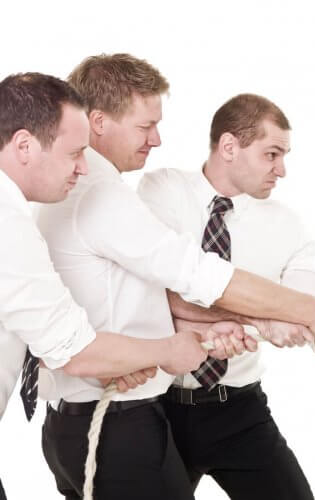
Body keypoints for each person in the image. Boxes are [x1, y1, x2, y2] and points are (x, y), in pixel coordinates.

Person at [36, 54, 315, 500]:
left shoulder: (74, 187)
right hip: (116, 423)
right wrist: (309, 311)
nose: (157, 139)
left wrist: (207, 326)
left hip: (95, 414)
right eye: (144, 126)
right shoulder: (108, 193)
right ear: (98, 121)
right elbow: (194, 275)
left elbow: (145, 296)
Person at [137, 93, 315, 498]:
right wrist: (254, 321)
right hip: (156, 409)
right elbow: (157, 293)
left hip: (238, 411)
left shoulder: (288, 227)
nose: (282, 170)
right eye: (272, 154)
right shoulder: (163, 190)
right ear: (229, 147)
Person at [0, 72, 210, 498]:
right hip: (115, 427)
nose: (83, 165)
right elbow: (75, 351)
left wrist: (116, 362)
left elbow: (39, 332)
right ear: (24, 145)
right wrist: (167, 351)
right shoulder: (8, 223)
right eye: (75, 152)